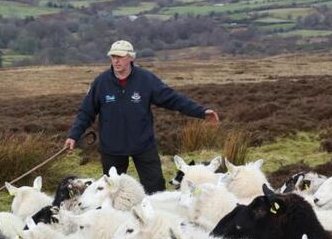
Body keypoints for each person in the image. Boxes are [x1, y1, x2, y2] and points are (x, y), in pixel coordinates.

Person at [65, 40, 219, 194]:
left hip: (143, 144)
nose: (116, 61)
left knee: (156, 189)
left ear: (131, 57)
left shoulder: (146, 79)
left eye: (120, 57)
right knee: (113, 192)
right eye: (113, 57)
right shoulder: (101, 82)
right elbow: (86, 112)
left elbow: (173, 99)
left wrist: (201, 112)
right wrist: (73, 135)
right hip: (112, 148)